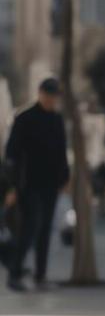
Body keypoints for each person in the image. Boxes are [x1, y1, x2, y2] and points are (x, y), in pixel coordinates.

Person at [4, 77, 70, 291]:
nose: (51, 100)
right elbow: (11, 154)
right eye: (48, 95)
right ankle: (14, 273)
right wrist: (12, 186)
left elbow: (61, 152)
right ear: (40, 93)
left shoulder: (57, 120)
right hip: (27, 184)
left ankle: (40, 275)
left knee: (45, 229)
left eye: (54, 96)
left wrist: (64, 178)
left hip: (50, 184)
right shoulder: (24, 118)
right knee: (30, 227)